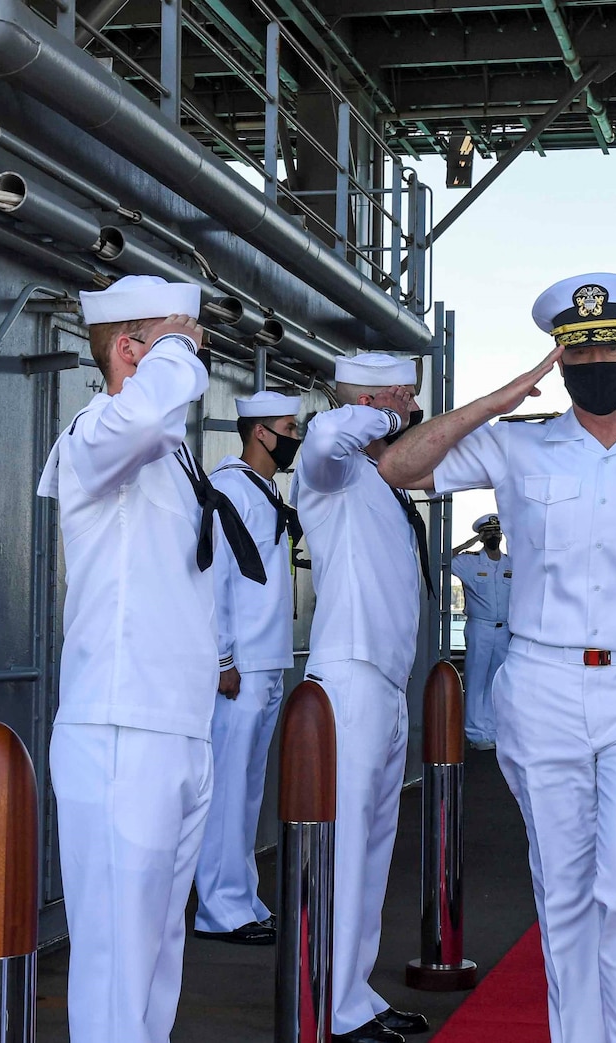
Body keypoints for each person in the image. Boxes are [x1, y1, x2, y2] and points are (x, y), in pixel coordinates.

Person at [377, 273, 616, 1043]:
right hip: (544, 684)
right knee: (564, 889)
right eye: (577, 351)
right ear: (558, 360)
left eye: (611, 348)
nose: (596, 363)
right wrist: (493, 402)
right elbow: (398, 466)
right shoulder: (518, 445)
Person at [38, 275, 266, 1043]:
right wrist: (172, 347)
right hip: (120, 731)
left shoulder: (167, 458)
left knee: (159, 962)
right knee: (117, 970)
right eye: (180, 344)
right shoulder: (97, 433)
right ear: (131, 351)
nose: (195, 361)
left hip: (177, 729)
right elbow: (138, 422)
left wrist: (168, 344)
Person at [294, 353, 431, 1043]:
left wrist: (392, 418)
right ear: (375, 399)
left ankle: (353, 991)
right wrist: (386, 412)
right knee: (344, 847)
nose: (413, 407)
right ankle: (331, 1005)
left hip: (385, 680)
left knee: (372, 849)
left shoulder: (381, 481)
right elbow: (321, 438)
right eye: (405, 395)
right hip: (348, 678)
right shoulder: (335, 470)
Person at [193, 390, 303, 945]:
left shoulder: (264, 489)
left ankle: (242, 897)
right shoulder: (230, 489)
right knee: (228, 792)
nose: (295, 437)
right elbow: (212, 579)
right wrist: (223, 658)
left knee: (249, 792)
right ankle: (218, 908)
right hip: (241, 667)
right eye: (289, 426)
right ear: (260, 431)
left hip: (267, 659)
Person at [451, 513, 512, 750]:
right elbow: (442, 559)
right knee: (476, 681)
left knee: (498, 682)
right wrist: (469, 543)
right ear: (482, 536)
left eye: (497, 532)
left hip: (505, 629)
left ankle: (495, 731)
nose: (493, 537)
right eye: (488, 533)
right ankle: (476, 733)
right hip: (480, 627)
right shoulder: (470, 562)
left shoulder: (511, 563)